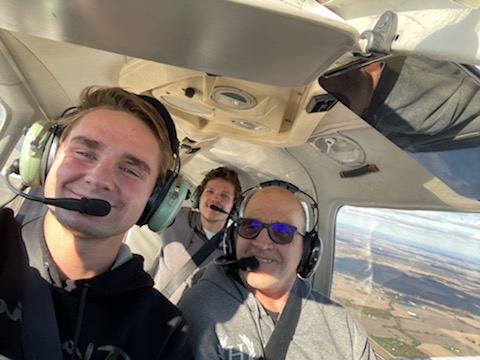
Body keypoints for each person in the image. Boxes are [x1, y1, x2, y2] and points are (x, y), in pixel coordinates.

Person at [0, 86, 194, 359]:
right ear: (47, 157)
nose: (98, 178)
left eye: (129, 169)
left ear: (156, 202)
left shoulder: (163, 335)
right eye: (85, 153)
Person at [178, 180, 376, 360]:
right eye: (250, 226)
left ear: (307, 250)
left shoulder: (345, 329)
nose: (262, 242)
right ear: (233, 238)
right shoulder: (201, 313)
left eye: (282, 232)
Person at [150, 166, 242, 303]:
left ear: (234, 207)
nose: (215, 199)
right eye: (210, 191)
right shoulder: (176, 217)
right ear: (199, 197)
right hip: (146, 306)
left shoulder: (234, 250)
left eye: (225, 195)